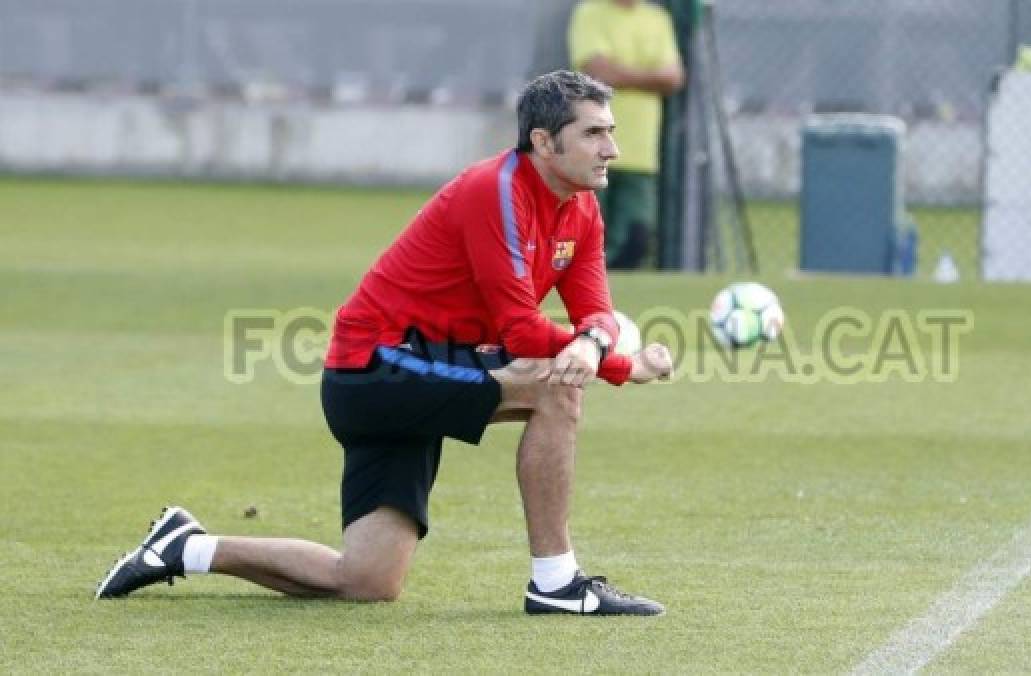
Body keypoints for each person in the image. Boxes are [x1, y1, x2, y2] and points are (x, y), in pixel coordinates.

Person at [95, 70, 675, 616]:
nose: (611, 149)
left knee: (369, 580)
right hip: (376, 369)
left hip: (430, 368)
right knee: (555, 390)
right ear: (543, 142)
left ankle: (186, 547)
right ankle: (557, 584)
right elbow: (522, 330)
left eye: (611, 132)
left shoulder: (582, 210)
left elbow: (594, 310)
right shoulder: (496, 191)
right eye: (594, 133)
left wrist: (597, 345)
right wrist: (619, 363)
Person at [568, 0, 685, 269]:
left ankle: (613, 306)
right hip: (590, 150)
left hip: (640, 153)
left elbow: (674, 77)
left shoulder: (657, 19)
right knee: (585, 238)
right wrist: (650, 75)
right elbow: (597, 71)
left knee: (637, 241)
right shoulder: (590, 12)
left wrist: (622, 73)